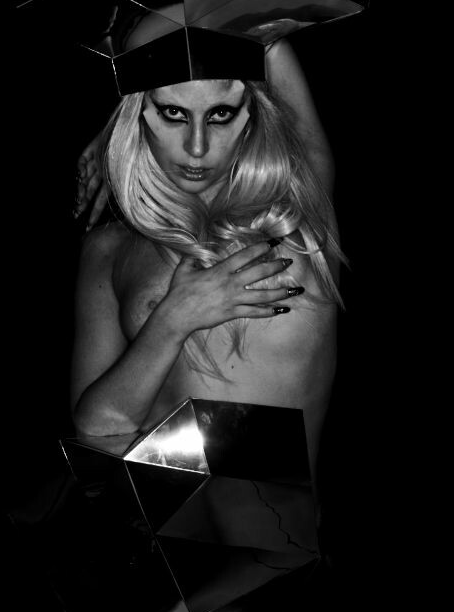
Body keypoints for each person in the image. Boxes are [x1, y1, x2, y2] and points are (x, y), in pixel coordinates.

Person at [70, 35, 343, 480]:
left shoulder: (298, 216)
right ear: (137, 114)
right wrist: (173, 319)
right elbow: (94, 431)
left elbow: (268, 35)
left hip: (272, 522)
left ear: (251, 114)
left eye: (220, 114)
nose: (197, 146)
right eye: (173, 113)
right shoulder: (110, 248)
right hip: (147, 516)